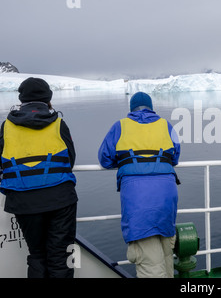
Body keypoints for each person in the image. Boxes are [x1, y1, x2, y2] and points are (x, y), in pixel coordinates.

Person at [0, 77, 78, 278]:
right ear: (48, 98)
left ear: (22, 99)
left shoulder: (6, 126)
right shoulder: (59, 123)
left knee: (36, 254)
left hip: (23, 201)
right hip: (60, 199)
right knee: (60, 257)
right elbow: (70, 159)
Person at [98, 91, 181, 278]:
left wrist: (128, 162)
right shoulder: (165, 125)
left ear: (131, 108)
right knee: (166, 252)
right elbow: (175, 156)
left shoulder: (120, 126)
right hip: (166, 194)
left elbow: (105, 158)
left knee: (148, 259)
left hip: (138, 198)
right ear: (152, 107)